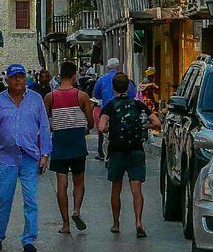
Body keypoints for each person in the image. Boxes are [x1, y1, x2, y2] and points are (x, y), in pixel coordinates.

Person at [0, 64, 52, 252]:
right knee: (2, 198)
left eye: (21, 76)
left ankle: (29, 238)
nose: (18, 80)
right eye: (14, 77)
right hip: (5, 157)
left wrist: (44, 154)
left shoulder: (36, 100)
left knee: (31, 199)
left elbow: (44, 127)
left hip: (29, 157)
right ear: (7, 80)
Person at [99, 72, 161, 238]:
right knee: (136, 189)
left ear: (113, 88)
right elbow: (157, 123)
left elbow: (101, 126)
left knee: (116, 188)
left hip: (117, 152)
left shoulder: (110, 106)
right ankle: (138, 222)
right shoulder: (138, 104)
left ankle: (116, 224)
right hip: (136, 150)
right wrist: (144, 126)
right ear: (128, 87)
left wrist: (110, 128)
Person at [45, 61, 94, 235]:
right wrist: (86, 127)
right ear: (75, 77)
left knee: (61, 184)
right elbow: (91, 120)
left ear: (60, 76)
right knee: (79, 180)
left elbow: (46, 122)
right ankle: (76, 211)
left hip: (59, 142)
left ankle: (65, 225)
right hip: (77, 141)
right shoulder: (81, 96)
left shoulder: (51, 96)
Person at [92, 58, 135, 161]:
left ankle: (104, 155)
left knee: (105, 133)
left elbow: (96, 94)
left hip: (107, 111)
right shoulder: (126, 79)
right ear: (118, 67)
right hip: (125, 109)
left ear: (107, 67)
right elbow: (133, 94)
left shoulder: (102, 79)